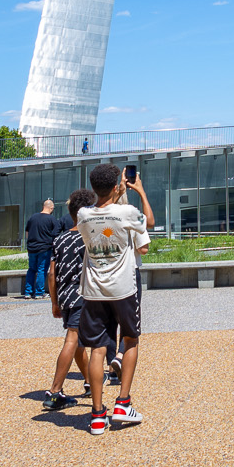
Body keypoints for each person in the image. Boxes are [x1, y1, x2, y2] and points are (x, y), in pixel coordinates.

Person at [76, 162, 151, 434]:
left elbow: (101, 214)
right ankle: (123, 403)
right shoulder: (128, 213)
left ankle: (97, 415)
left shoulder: (83, 215)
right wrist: (139, 191)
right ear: (118, 184)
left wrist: (114, 194)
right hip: (123, 288)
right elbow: (148, 224)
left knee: (97, 349)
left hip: (94, 290)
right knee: (130, 339)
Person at [41, 189, 94, 410]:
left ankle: (90, 382)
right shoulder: (89, 238)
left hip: (64, 295)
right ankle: (55, 391)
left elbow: (51, 274)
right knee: (72, 338)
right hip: (84, 294)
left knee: (78, 344)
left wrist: (54, 302)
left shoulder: (60, 239)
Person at [23, 198, 64, 299]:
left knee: (31, 269)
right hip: (44, 248)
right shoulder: (51, 219)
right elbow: (56, 233)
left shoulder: (32, 217)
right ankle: (39, 293)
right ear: (51, 208)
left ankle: (28, 292)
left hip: (32, 248)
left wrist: (30, 243)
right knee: (42, 270)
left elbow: (27, 232)